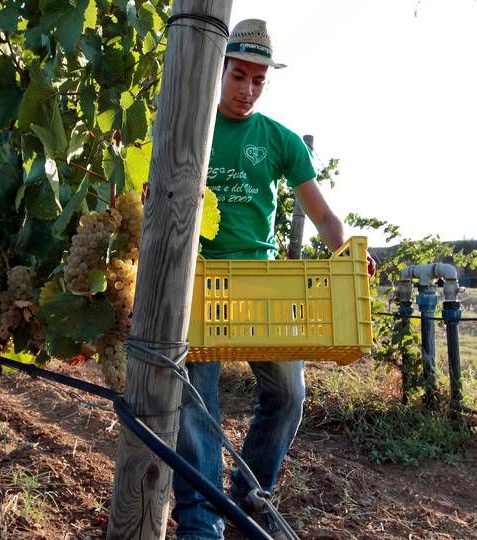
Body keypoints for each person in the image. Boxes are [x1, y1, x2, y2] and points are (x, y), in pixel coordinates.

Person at [172, 18, 376, 540]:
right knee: (199, 405)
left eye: (258, 80)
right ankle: (200, 523)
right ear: (219, 71)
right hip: (199, 284)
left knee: (289, 393)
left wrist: (346, 253)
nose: (247, 90)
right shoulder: (189, 127)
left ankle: (248, 497)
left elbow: (325, 216)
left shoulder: (281, 140)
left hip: (261, 287)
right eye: (238, 76)